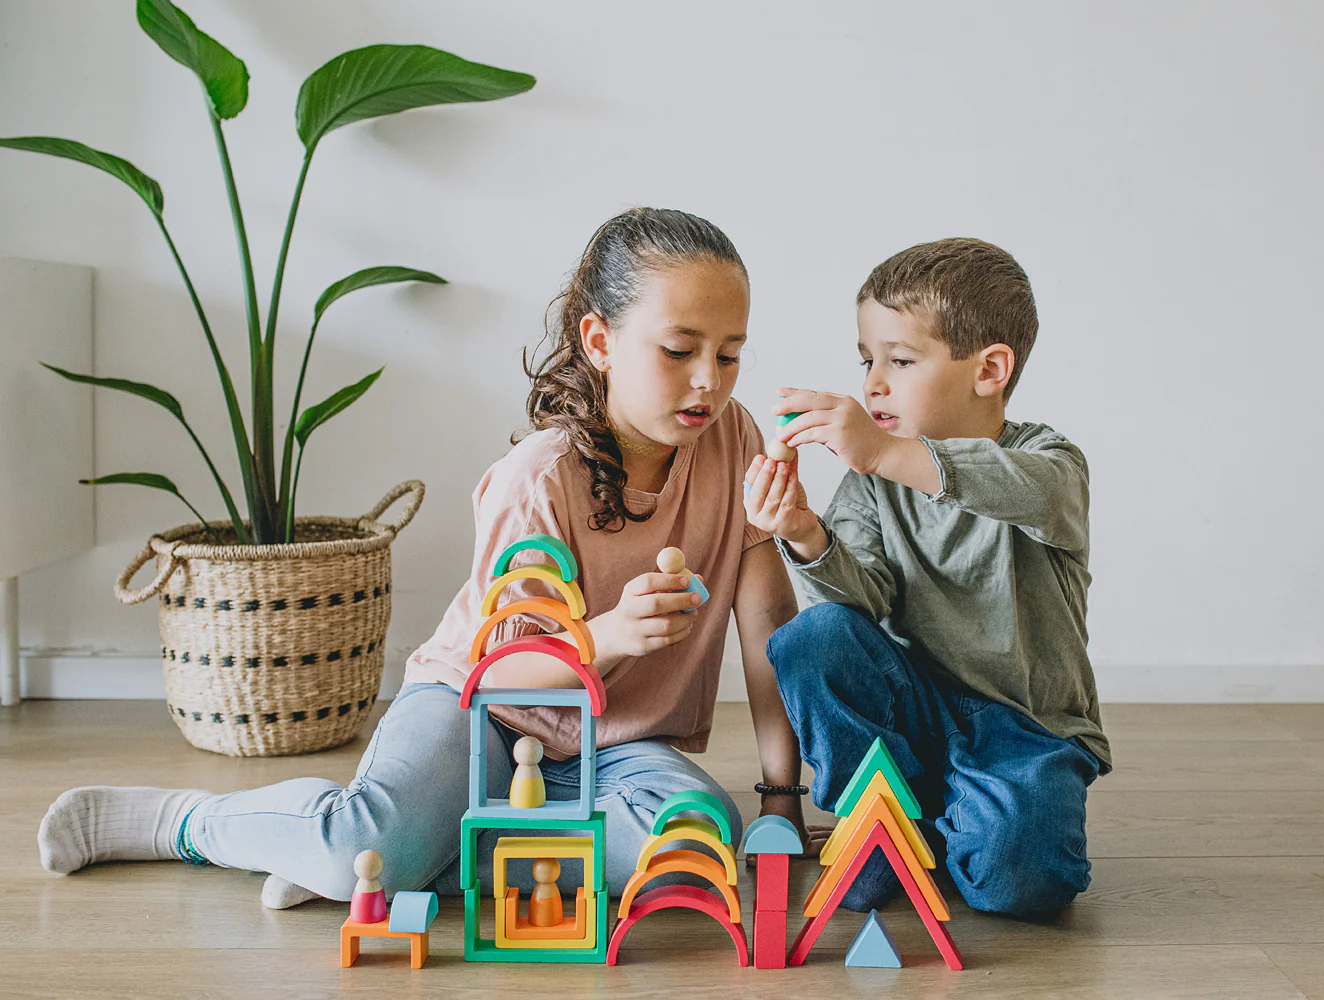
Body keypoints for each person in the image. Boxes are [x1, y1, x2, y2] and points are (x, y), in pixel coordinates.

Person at [39, 207, 808, 908]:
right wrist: (607, 637)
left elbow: (768, 623)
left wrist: (780, 798)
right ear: (600, 342)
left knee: (697, 847)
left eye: (730, 354)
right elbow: (499, 673)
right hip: (479, 714)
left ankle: (398, 856)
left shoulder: (732, 439)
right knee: (362, 849)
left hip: (617, 746)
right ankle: (199, 824)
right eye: (680, 350)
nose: (710, 379)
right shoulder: (536, 479)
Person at [745, 237, 1110, 918]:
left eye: (900, 361)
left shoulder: (1049, 459)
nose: (873, 382)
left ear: (990, 369)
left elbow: (1023, 491)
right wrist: (802, 532)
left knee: (1018, 884)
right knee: (812, 637)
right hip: (912, 714)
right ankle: (883, 817)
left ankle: (954, 823)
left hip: (1024, 731)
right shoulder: (870, 484)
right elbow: (860, 600)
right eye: (867, 361)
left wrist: (887, 450)